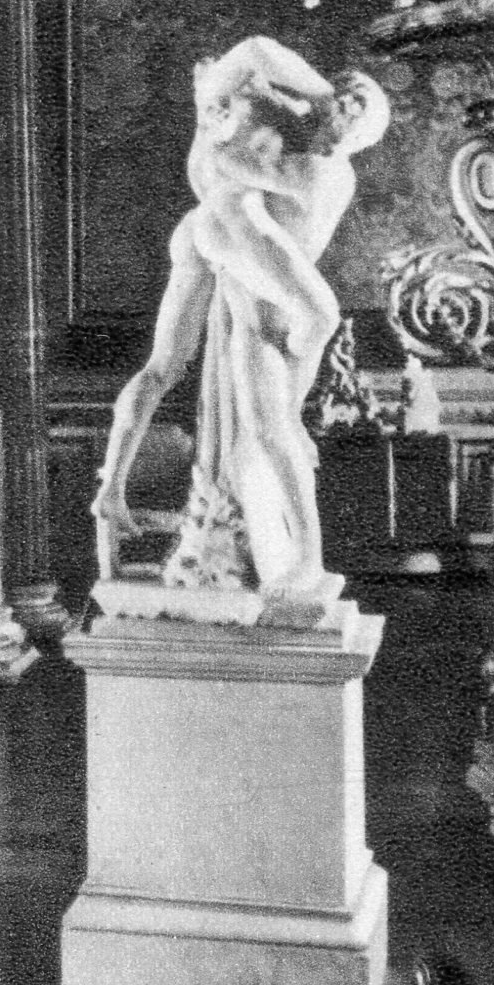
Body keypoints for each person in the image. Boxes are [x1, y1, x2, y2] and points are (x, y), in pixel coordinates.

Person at [92, 38, 389, 600]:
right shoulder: (309, 164)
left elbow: (222, 158)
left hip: (212, 234)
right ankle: (310, 560)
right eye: (342, 110)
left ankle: (112, 489)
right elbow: (250, 78)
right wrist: (283, 102)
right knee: (295, 371)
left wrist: (243, 107)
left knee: (167, 370)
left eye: (354, 119)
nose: (341, 123)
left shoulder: (317, 166)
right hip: (236, 244)